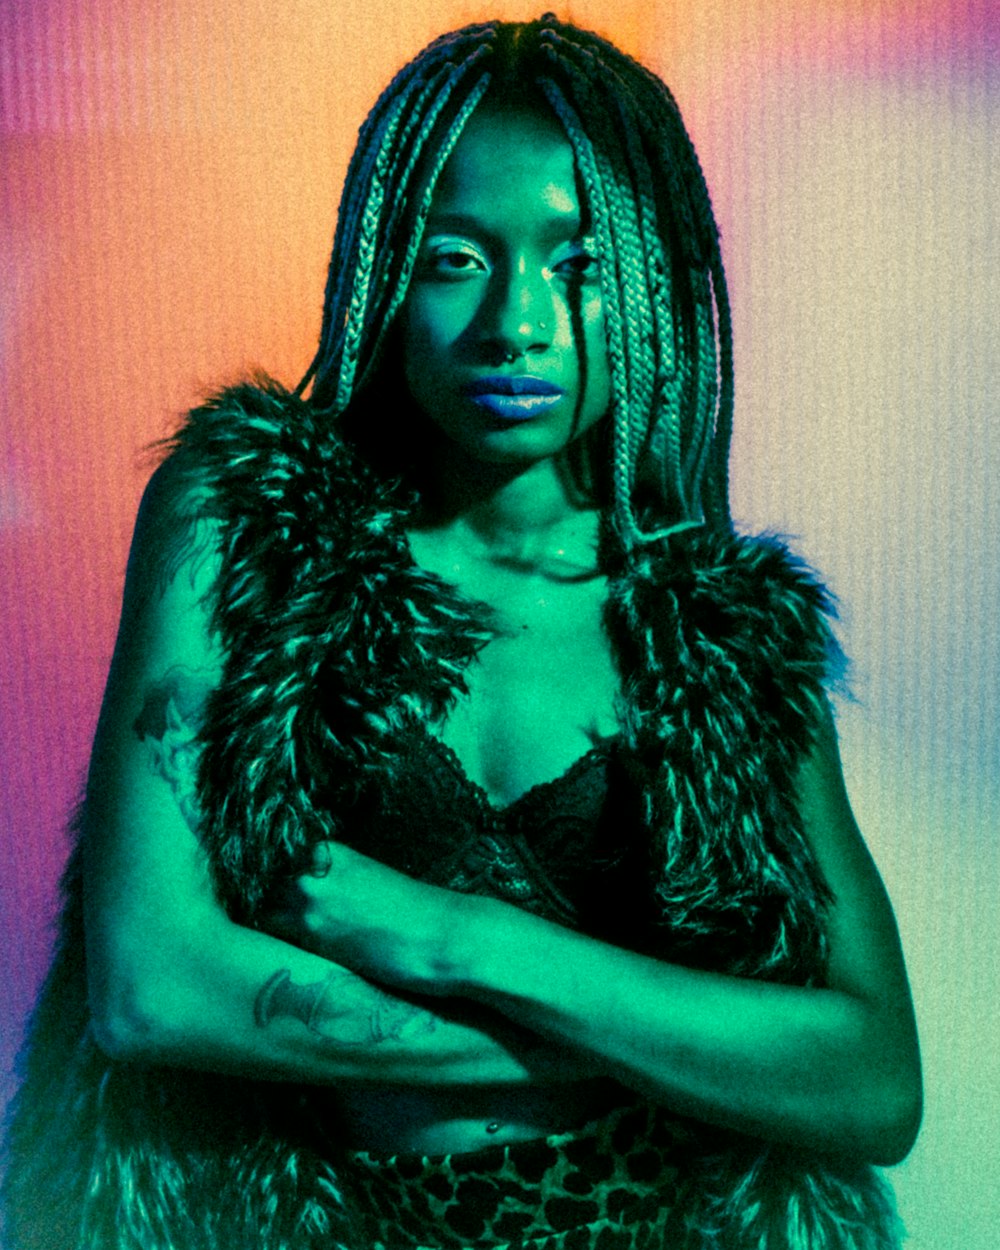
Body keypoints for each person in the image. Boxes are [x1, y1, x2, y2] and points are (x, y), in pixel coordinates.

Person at [2, 16, 921, 1250]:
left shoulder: (722, 632)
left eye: (581, 265)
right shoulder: (246, 524)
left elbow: (870, 1079)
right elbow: (145, 985)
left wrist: (449, 933)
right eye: (453, 256)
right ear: (384, 264)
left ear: (655, 279)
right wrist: (664, 1037)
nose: (516, 320)